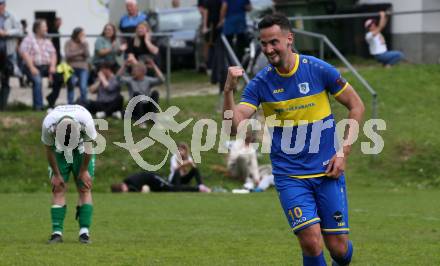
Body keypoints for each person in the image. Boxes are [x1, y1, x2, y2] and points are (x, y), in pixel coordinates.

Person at [223, 14, 365, 266]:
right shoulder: (260, 83)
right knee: (311, 241)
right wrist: (228, 92)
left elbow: (356, 105)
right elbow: (233, 127)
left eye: (273, 42)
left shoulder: (319, 70)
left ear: (290, 39)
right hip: (290, 176)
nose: (268, 49)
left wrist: (343, 152)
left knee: (339, 249)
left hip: (326, 172)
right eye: (263, 43)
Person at [41, 105, 98, 244]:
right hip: (58, 152)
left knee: (84, 187)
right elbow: (48, 150)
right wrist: (56, 174)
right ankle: (56, 233)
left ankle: (84, 233)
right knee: (58, 188)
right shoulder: (48, 124)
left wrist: (84, 170)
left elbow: (89, 147)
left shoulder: (86, 121)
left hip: (81, 150)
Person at [20, 19, 57, 110]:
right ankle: (38, 107)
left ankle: (51, 100)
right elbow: (23, 53)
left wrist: (52, 66)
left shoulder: (47, 40)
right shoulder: (28, 39)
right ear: (37, 29)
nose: (46, 28)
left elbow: (53, 54)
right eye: (44, 27)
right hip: (32, 66)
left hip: (46, 67)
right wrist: (32, 67)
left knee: (61, 77)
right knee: (37, 81)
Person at [117, 57, 163, 124]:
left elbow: (161, 80)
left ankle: (153, 118)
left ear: (142, 72)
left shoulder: (148, 80)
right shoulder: (130, 80)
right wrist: (124, 66)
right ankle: (141, 121)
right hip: (135, 107)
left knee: (155, 92)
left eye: (134, 70)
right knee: (136, 94)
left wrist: (154, 66)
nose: (132, 72)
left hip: (146, 106)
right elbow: (117, 78)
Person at [0, 0, 21, 110]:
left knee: (5, 79)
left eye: (1, 4)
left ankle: (2, 106)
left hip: (7, 54)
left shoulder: (11, 16)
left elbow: (19, 30)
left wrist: (6, 33)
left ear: (4, 5)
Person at [110, 172, 210, 193]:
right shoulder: (129, 183)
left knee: (173, 188)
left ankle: (199, 188)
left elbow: (137, 190)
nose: (126, 191)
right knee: (169, 191)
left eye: (124, 190)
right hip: (151, 184)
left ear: (123, 186)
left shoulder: (131, 183)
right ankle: (198, 188)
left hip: (154, 178)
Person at [64, 27, 90, 104]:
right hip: (71, 68)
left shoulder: (85, 43)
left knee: (83, 87)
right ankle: (70, 104)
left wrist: (83, 44)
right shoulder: (68, 42)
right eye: (81, 34)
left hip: (83, 68)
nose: (83, 36)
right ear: (76, 34)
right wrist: (80, 52)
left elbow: (87, 55)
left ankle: (84, 104)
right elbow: (67, 55)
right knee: (71, 85)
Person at [201, 0, 223, 70]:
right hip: (211, 25)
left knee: (214, 45)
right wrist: (205, 26)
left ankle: (213, 66)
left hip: (217, 25)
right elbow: (205, 11)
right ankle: (209, 65)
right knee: (210, 45)